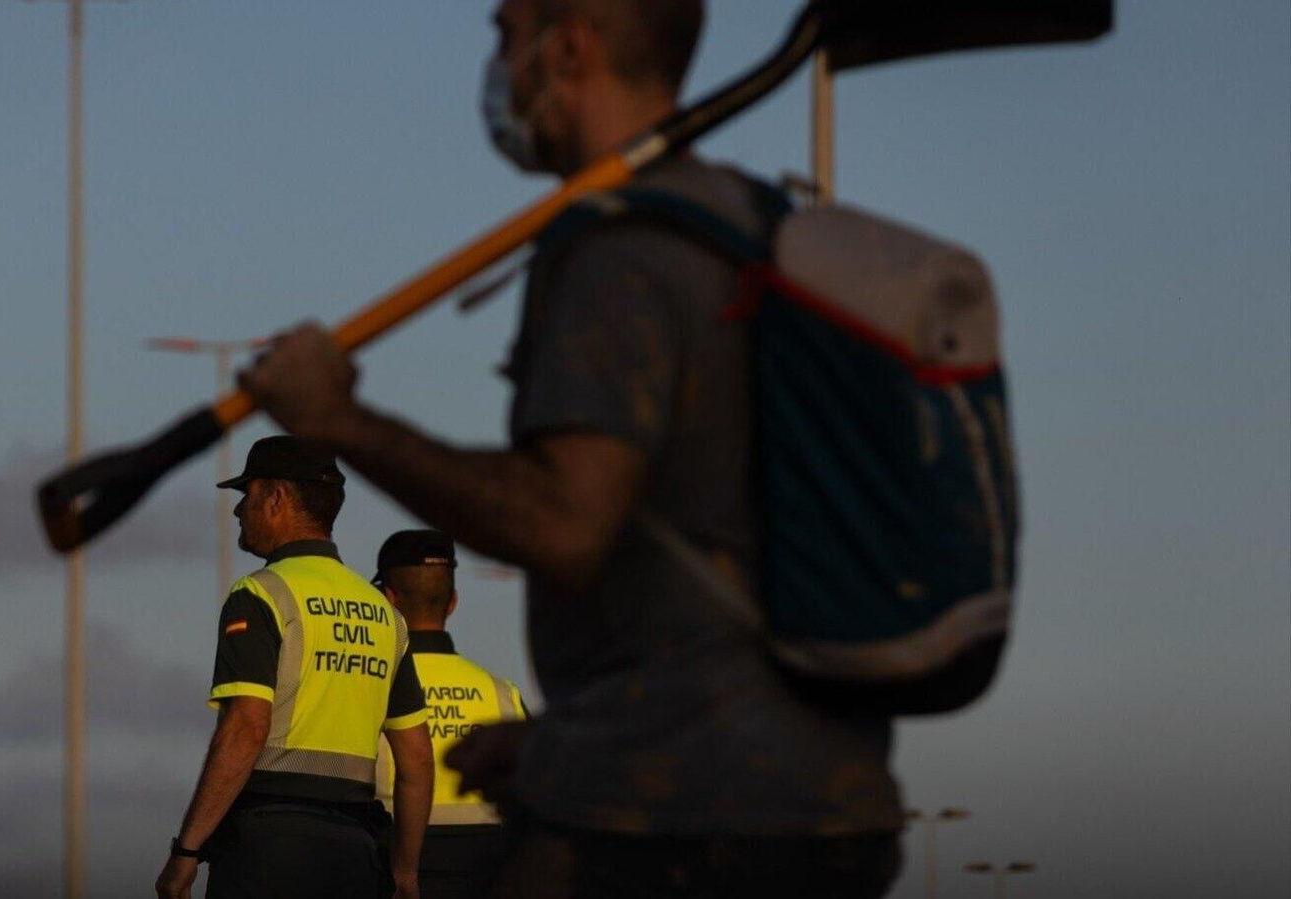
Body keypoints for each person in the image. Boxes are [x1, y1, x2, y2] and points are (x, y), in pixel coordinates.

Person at [234, 1, 906, 895]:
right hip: (820, 789)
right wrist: (555, 742)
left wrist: (339, 422)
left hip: (687, 814)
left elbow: (567, 522)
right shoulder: (747, 222)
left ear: (572, 46)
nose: (496, 62)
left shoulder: (616, 249)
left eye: (505, 33)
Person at [155, 435, 435, 899]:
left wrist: (186, 852)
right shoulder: (386, 615)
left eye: (247, 495)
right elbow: (417, 760)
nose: (237, 510)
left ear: (277, 498)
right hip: (355, 853)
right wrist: (404, 872)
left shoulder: (263, 593)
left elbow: (246, 726)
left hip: (268, 848)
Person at [371, 530, 529, 899]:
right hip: (483, 867)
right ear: (453, 602)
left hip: (388, 861)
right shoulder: (502, 692)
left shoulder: (372, 685)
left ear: (387, 599)